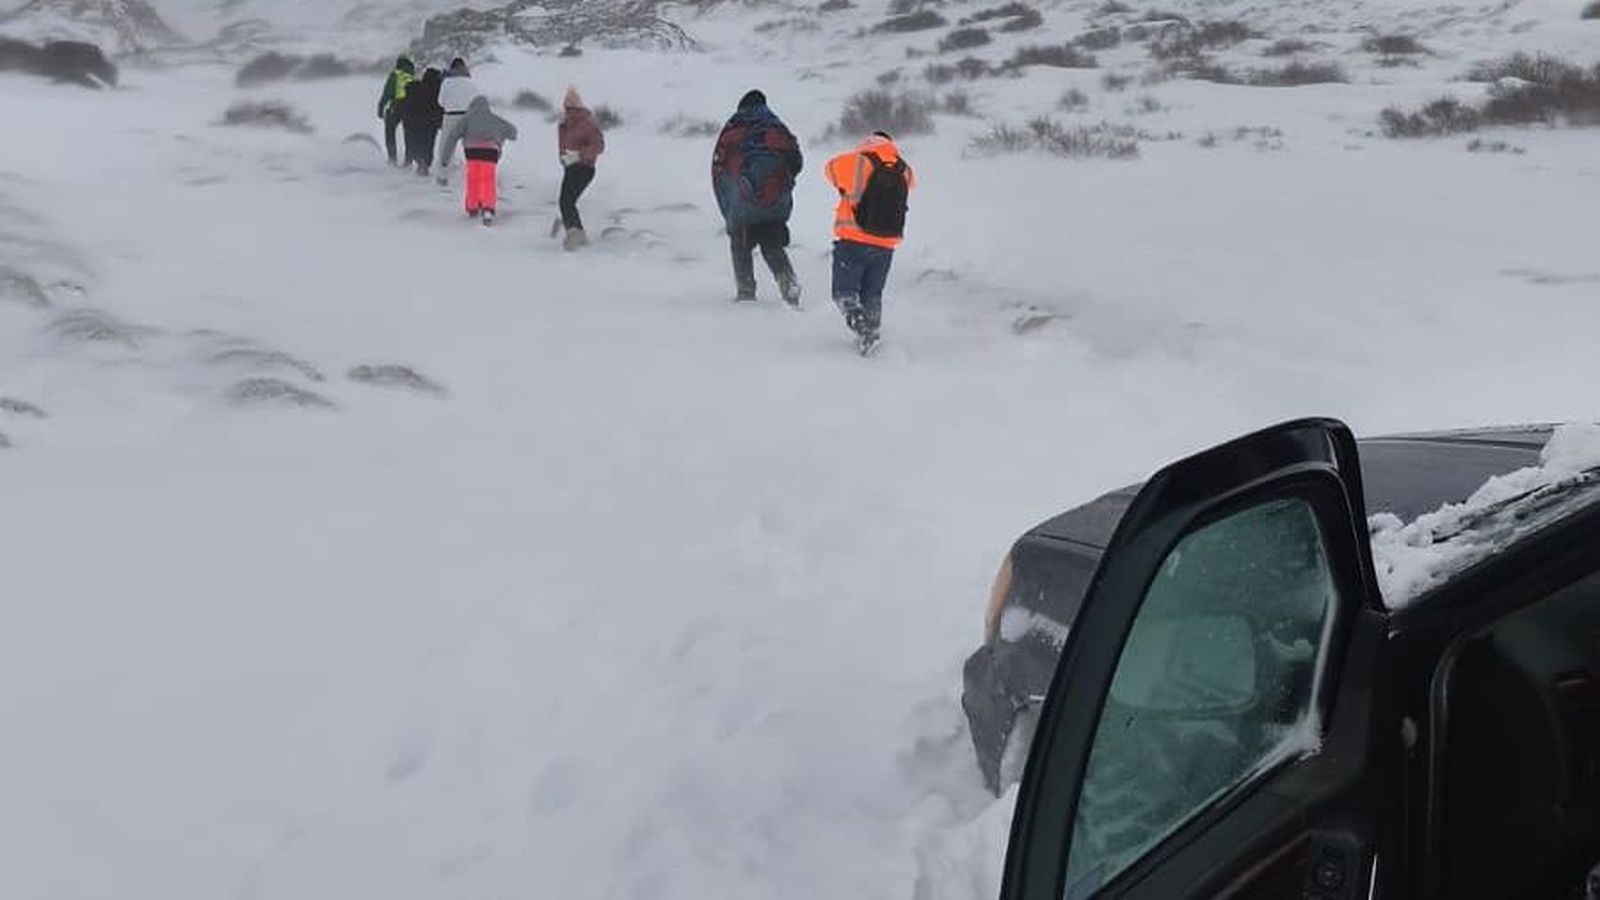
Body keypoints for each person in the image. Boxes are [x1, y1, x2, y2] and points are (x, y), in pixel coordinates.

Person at [824, 131, 914, 355]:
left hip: (854, 240)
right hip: (886, 245)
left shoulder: (858, 162)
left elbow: (829, 169)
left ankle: (863, 329)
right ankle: (872, 338)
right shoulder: (905, 170)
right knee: (872, 295)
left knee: (844, 293)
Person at [711, 89, 803, 306]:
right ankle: (788, 285)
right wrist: (781, 187)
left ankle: (745, 292)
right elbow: (797, 162)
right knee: (771, 242)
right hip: (775, 201)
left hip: (742, 200)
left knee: (740, 242)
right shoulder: (776, 127)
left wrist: (728, 207)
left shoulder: (734, 128)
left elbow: (718, 170)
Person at [438, 96, 518, 225]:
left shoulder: (466, 119)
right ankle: (488, 209)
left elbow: (452, 137)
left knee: (473, 179)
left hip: (472, 152)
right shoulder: (494, 118)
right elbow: (513, 132)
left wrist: (445, 159)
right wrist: (500, 136)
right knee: (488, 180)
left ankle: (472, 207)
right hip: (490, 153)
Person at [555, 86, 605, 251]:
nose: (569, 112)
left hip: (584, 168)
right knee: (566, 201)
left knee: (566, 201)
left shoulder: (587, 123)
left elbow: (599, 146)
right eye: (567, 108)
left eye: (572, 109)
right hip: (571, 168)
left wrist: (579, 155)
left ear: (579, 108)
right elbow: (562, 147)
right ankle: (576, 233)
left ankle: (576, 234)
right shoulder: (565, 125)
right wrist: (564, 158)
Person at [434, 58, 481, 184]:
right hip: (469, 117)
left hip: (451, 116)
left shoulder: (447, 82)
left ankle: (442, 177)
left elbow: (440, 102)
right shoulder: (471, 82)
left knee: (446, 148)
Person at [402, 66, 444, 176]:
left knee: (416, 141)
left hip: (413, 121)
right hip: (430, 122)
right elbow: (439, 106)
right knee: (428, 144)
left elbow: (407, 103)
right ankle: (425, 163)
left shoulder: (414, 87)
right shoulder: (437, 89)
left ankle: (419, 161)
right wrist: (440, 121)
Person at [376, 55, 417, 166]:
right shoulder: (413, 76)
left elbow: (387, 93)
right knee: (409, 134)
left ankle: (392, 159)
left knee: (389, 130)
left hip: (397, 105)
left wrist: (380, 108)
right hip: (411, 108)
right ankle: (408, 161)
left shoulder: (395, 75)